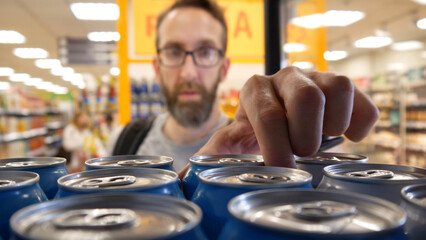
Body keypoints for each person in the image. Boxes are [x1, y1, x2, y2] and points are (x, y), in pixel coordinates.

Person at [111, 0, 379, 176]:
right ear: (157, 67)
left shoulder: (262, 143)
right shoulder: (124, 143)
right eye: (173, 51)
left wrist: (318, 144)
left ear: (224, 67)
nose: (189, 71)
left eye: (205, 52)